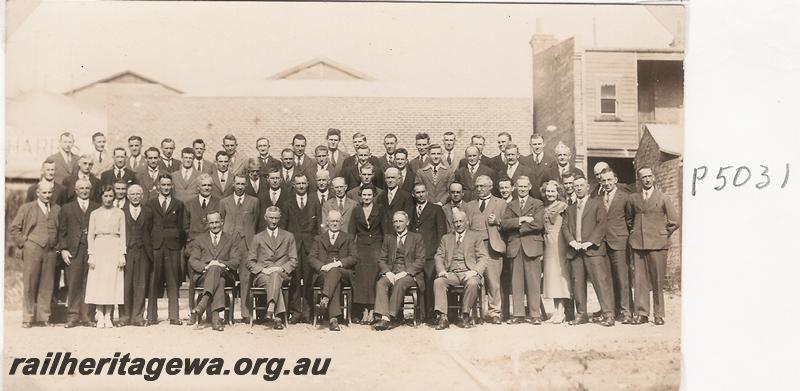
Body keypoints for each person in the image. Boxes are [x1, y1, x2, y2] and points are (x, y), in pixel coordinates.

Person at [626, 166, 680, 326]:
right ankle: (641, 313)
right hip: (638, 244)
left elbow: (674, 221)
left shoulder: (663, 197)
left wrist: (662, 233)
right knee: (640, 281)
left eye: (649, 176)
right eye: (644, 177)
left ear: (654, 177)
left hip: (657, 244)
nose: (647, 179)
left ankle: (658, 314)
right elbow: (629, 220)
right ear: (639, 179)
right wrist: (635, 233)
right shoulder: (633, 199)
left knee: (657, 281)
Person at [561, 175, 615, 327]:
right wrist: (572, 242)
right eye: (575, 185)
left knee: (600, 283)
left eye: (581, 185)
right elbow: (564, 227)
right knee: (578, 284)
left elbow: (602, 224)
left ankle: (608, 314)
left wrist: (589, 242)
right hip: (575, 251)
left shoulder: (596, 204)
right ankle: (581, 314)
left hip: (593, 250)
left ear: (587, 188)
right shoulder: (569, 208)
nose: (578, 188)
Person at [10, 180, 61, 327]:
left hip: (50, 251)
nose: (47, 195)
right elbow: (14, 228)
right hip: (33, 249)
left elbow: (60, 229)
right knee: (30, 284)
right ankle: (28, 317)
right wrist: (24, 242)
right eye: (44, 193)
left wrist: (57, 247)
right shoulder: (27, 208)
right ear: (37, 193)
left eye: (49, 192)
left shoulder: (57, 209)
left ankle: (44, 317)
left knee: (47, 285)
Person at [500, 176, 546, 324]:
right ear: (515, 187)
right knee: (516, 281)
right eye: (520, 187)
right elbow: (504, 224)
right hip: (515, 247)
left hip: (532, 246)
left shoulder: (538, 203)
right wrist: (522, 220)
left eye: (525, 187)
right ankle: (518, 314)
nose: (522, 189)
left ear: (530, 186)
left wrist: (518, 229)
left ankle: (535, 315)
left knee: (533, 281)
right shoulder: (511, 205)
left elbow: (538, 224)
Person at [432, 209, 488, 330]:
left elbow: (483, 257)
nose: (458, 224)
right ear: (452, 223)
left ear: (466, 222)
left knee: (473, 282)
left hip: (468, 272)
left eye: (461, 221)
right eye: (455, 221)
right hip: (451, 273)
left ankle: (465, 315)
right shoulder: (446, 238)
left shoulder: (475, 237)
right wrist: (441, 271)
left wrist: (475, 271)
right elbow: (438, 256)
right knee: (438, 282)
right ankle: (443, 317)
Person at [463, 175, 507, 324]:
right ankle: (475, 312)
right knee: (475, 279)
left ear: (490, 186)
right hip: (475, 248)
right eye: (477, 186)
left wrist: (497, 221)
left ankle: (494, 312)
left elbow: (507, 225)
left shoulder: (501, 203)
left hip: (492, 246)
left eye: (482, 186)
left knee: (494, 281)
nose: (479, 189)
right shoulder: (469, 206)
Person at [57, 178, 100, 328]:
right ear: (76, 190)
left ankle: (87, 316)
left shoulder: (96, 207)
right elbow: (61, 231)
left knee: (89, 283)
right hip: (73, 251)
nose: (84, 191)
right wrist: (63, 250)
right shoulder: (67, 208)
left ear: (91, 190)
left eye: (87, 188)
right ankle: (73, 316)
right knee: (74, 283)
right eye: (81, 188)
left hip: (91, 251)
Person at [189, 211, 243, 331]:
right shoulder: (200, 239)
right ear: (208, 224)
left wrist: (220, 264)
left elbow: (235, 261)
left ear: (222, 222)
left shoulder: (231, 239)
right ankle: (216, 319)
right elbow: (193, 260)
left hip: (226, 273)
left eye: (217, 222)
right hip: (204, 276)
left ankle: (204, 301)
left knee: (217, 270)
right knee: (219, 279)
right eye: (211, 223)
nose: (214, 225)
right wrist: (206, 267)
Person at [373, 211, 425, 331]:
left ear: (407, 222)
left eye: (401, 221)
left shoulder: (416, 238)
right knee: (381, 283)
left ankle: (389, 317)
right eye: (395, 221)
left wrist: (406, 272)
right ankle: (383, 315)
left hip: (410, 275)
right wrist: (387, 272)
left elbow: (421, 260)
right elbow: (381, 259)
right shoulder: (389, 238)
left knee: (400, 283)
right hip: (392, 271)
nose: (398, 224)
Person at [247, 206, 298, 330]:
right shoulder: (257, 237)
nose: (273, 221)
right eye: (271, 218)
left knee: (275, 276)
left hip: (282, 274)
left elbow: (294, 260)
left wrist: (280, 269)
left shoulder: (288, 236)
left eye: (276, 218)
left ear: (280, 218)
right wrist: (263, 270)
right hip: (262, 275)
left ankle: (271, 305)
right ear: (265, 218)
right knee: (274, 280)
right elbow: (250, 262)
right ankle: (278, 317)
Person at [147, 173, 188, 325]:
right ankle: (151, 316)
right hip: (156, 246)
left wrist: (176, 240)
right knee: (153, 281)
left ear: (172, 186)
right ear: (158, 186)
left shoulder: (178, 204)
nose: (165, 188)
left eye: (168, 185)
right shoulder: (150, 204)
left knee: (173, 281)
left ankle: (174, 316)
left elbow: (182, 228)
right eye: (163, 185)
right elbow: (148, 225)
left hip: (172, 247)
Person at [308, 210, 358, 331]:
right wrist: (322, 266)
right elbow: (311, 258)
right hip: (323, 273)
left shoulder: (348, 237)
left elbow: (354, 257)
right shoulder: (319, 238)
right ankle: (333, 319)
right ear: (327, 222)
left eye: (337, 221)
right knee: (335, 280)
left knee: (335, 271)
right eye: (332, 221)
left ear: (341, 222)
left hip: (344, 272)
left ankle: (325, 298)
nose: (334, 223)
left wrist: (339, 263)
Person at [219, 174, 260, 323]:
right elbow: (221, 220)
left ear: (246, 185)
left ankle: (245, 313)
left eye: (243, 184)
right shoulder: (224, 202)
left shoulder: (254, 201)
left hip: (247, 244)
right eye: (238, 183)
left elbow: (257, 221)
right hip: (229, 244)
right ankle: (224, 313)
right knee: (225, 276)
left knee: (246, 278)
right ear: (233, 184)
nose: (240, 186)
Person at [85, 185, 126, 328]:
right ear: (101, 197)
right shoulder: (94, 214)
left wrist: (122, 254)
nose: (108, 199)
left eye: (110, 196)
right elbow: (90, 236)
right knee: (99, 282)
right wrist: (91, 254)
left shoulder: (120, 213)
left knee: (111, 282)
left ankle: (108, 315)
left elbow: (123, 236)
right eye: (105, 196)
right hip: (99, 246)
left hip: (114, 247)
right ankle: (99, 314)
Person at [284, 173, 321, 323]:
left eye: (303, 183)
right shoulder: (288, 202)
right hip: (293, 246)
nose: (301, 186)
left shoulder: (314, 202)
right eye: (298, 183)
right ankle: (295, 311)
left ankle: (307, 311)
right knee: (293, 279)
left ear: (307, 184)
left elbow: (319, 226)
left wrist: (316, 246)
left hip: (309, 246)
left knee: (308, 279)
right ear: (294, 185)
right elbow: (284, 226)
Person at [409, 183, 447, 322]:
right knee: (419, 283)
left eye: (423, 192)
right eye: (417, 192)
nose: (420, 195)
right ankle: (420, 314)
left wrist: (438, 252)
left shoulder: (436, 209)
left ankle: (431, 314)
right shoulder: (411, 210)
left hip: (431, 253)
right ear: (413, 194)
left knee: (431, 283)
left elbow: (441, 232)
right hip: (416, 254)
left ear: (427, 193)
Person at [599, 169, 634, 324]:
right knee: (607, 280)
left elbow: (630, 219)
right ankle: (610, 313)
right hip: (602, 243)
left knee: (622, 278)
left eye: (609, 180)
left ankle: (627, 312)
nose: (606, 183)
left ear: (615, 179)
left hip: (619, 242)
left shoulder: (625, 197)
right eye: (603, 181)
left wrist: (625, 237)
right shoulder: (598, 198)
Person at [348, 185, 384, 323]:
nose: (367, 197)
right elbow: (351, 232)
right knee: (362, 278)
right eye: (364, 195)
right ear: (360, 196)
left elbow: (384, 229)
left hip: (376, 246)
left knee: (374, 277)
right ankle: (364, 310)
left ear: (373, 195)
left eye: (369, 195)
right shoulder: (356, 210)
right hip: (361, 247)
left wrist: (383, 249)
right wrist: (352, 250)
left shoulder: (380, 209)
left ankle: (373, 309)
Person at [119, 184, 154, 327]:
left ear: (142, 196)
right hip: (127, 250)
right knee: (125, 285)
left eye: (138, 194)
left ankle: (138, 316)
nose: (135, 197)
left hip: (142, 250)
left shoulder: (148, 212)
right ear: (127, 196)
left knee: (140, 284)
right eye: (132, 194)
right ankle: (124, 317)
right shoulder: (121, 212)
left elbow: (151, 230)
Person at [540, 180, 571, 324]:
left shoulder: (563, 206)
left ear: (558, 192)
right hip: (548, 244)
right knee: (551, 278)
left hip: (559, 243)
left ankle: (562, 311)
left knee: (560, 276)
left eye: (553, 191)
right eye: (548, 191)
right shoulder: (545, 207)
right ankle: (554, 311)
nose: (550, 194)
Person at [377, 167, 415, 234]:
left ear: (399, 179)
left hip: (399, 234)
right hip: (383, 234)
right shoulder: (380, 196)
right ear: (385, 179)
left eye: (393, 177)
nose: (390, 180)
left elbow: (408, 218)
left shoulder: (406, 196)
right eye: (388, 178)